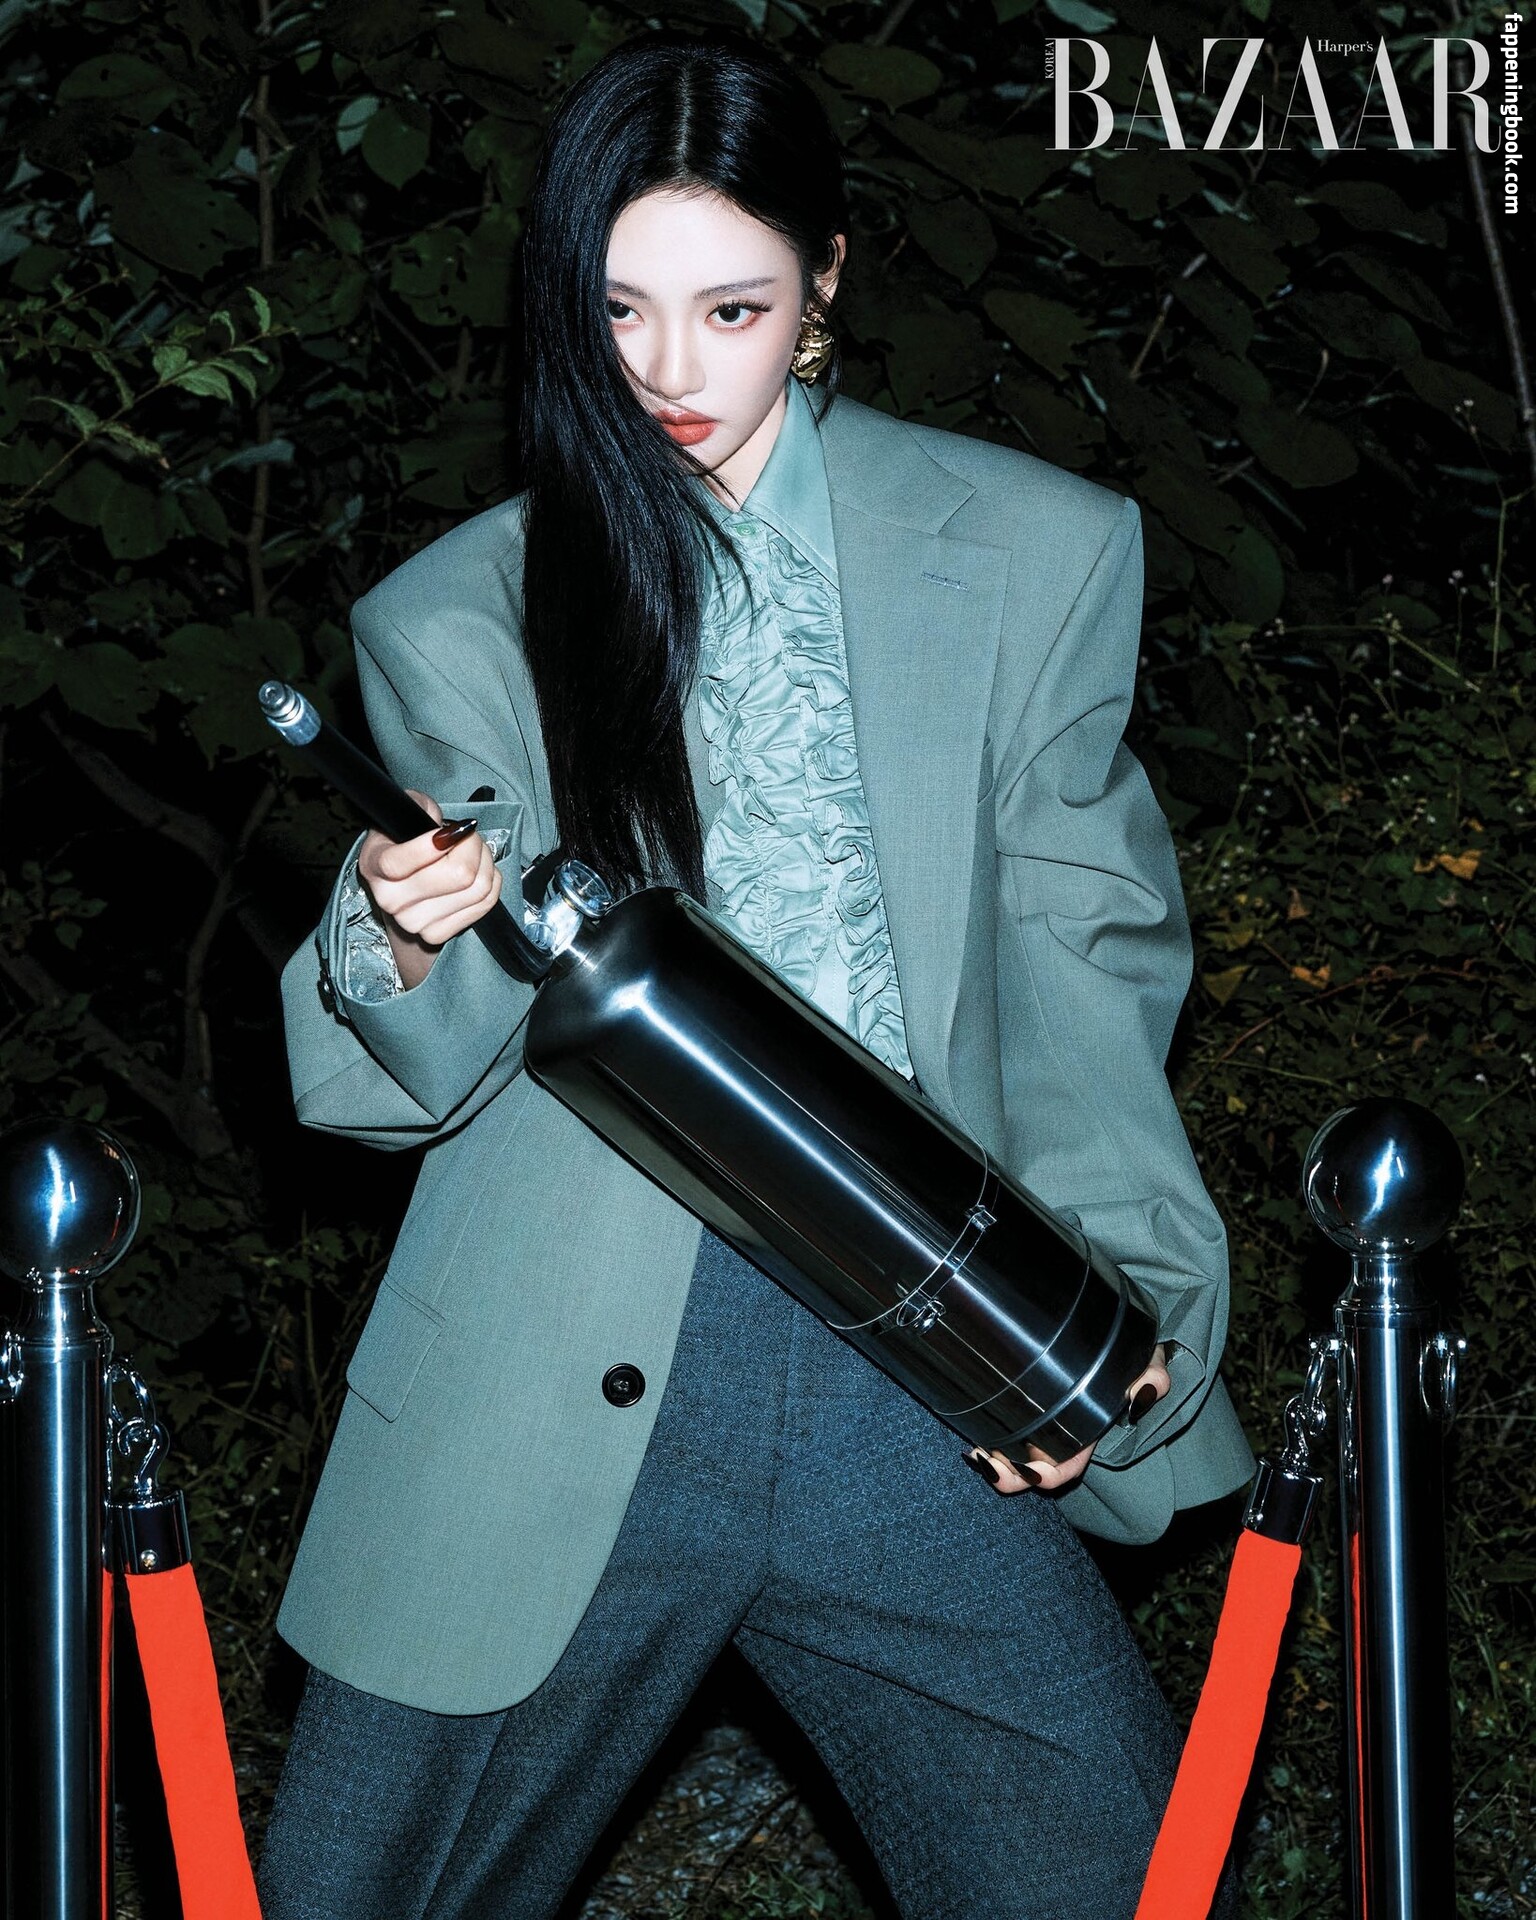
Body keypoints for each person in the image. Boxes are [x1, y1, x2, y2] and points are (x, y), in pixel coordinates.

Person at [258, 30, 1255, 1920]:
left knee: (1113, 1875)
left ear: (826, 284)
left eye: (731, 307)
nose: (669, 371)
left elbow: (1088, 970)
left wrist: (1121, 1306)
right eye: (618, 310)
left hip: (920, 1346)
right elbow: (395, 1084)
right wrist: (396, 925)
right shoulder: (462, 609)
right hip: (557, 1365)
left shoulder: (1033, 554)